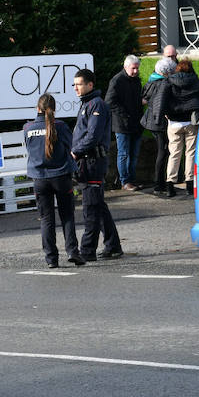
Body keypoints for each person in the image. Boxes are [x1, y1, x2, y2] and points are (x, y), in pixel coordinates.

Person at [24, 94, 84, 268]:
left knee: (46, 219)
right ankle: (73, 252)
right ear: (54, 109)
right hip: (61, 176)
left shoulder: (28, 128)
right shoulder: (61, 126)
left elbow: (30, 149)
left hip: (40, 179)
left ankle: (51, 259)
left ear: (38, 108)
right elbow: (71, 145)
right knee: (67, 216)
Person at [70, 69, 122, 261]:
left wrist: (75, 151)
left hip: (92, 161)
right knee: (98, 206)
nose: (75, 87)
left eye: (79, 84)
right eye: (74, 84)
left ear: (90, 85)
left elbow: (92, 136)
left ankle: (87, 251)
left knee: (90, 207)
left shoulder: (96, 105)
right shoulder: (86, 104)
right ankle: (113, 245)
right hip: (85, 162)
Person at [161, 56, 199, 198]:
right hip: (191, 122)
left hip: (174, 123)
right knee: (190, 153)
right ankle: (189, 184)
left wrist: (164, 114)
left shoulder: (169, 81)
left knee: (174, 153)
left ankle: (170, 184)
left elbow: (162, 100)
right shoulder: (196, 82)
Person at [105, 55, 145, 191]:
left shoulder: (136, 81)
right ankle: (125, 181)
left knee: (134, 154)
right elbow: (109, 102)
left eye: (137, 68)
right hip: (122, 124)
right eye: (133, 68)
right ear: (126, 67)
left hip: (136, 123)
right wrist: (125, 114)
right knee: (123, 154)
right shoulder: (117, 81)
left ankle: (131, 180)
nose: (135, 71)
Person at [143, 56, 177, 197]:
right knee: (163, 152)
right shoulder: (163, 84)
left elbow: (145, 98)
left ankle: (160, 183)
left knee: (162, 152)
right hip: (158, 122)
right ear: (167, 72)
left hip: (150, 121)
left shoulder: (152, 80)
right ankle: (159, 183)